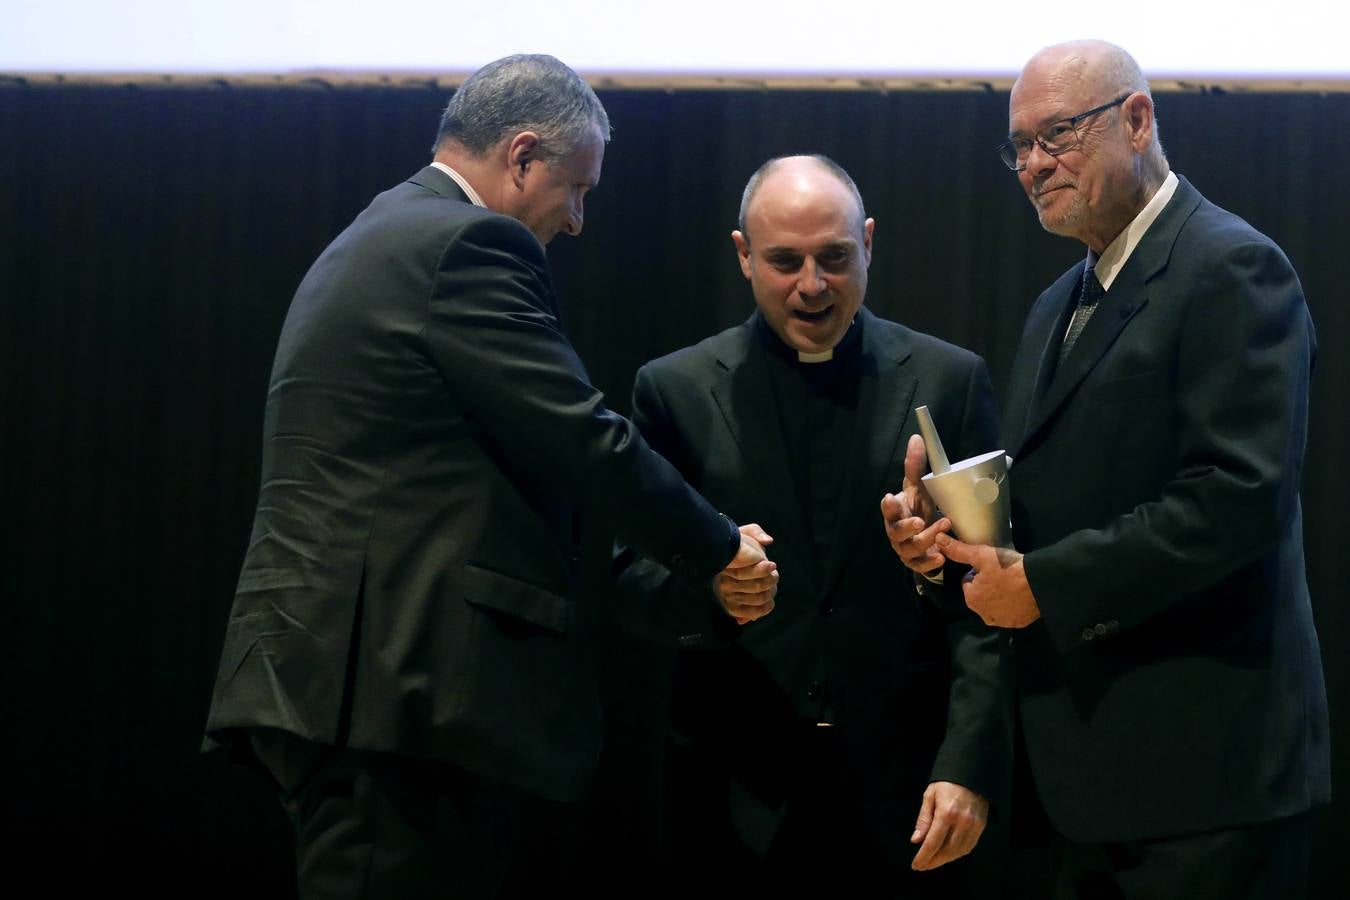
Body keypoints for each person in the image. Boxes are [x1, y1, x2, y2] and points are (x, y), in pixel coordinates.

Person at [203, 53, 777, 899]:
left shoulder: (385, 229)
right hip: (388, 690)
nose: (577, 220)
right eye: (577, 188)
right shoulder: (467, 242)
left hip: (347, 675)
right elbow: (578, 436)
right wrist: (719, 547)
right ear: (521, 155)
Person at [892, 40, 1330, 899]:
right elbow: (1046, 514)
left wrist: (1044, 584)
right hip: (1082, 786)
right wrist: (947, 544)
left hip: (1206, 787)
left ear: (1137, 120)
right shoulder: (1056, 304)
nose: (1032, 165)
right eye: (1018, 145)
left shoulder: (1232, 267)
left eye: (1058, 133)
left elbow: (1235, 499)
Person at [616, 155, 1011, 897]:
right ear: (743, 255)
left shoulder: (950, 380)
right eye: (784, 261)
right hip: (734, 794)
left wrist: (968, 762)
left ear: (868, 242)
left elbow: (992, 595)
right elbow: (626, 582)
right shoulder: (674, 391)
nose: (812, 285)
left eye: (834, 257)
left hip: (911, 791)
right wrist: (715, 593)